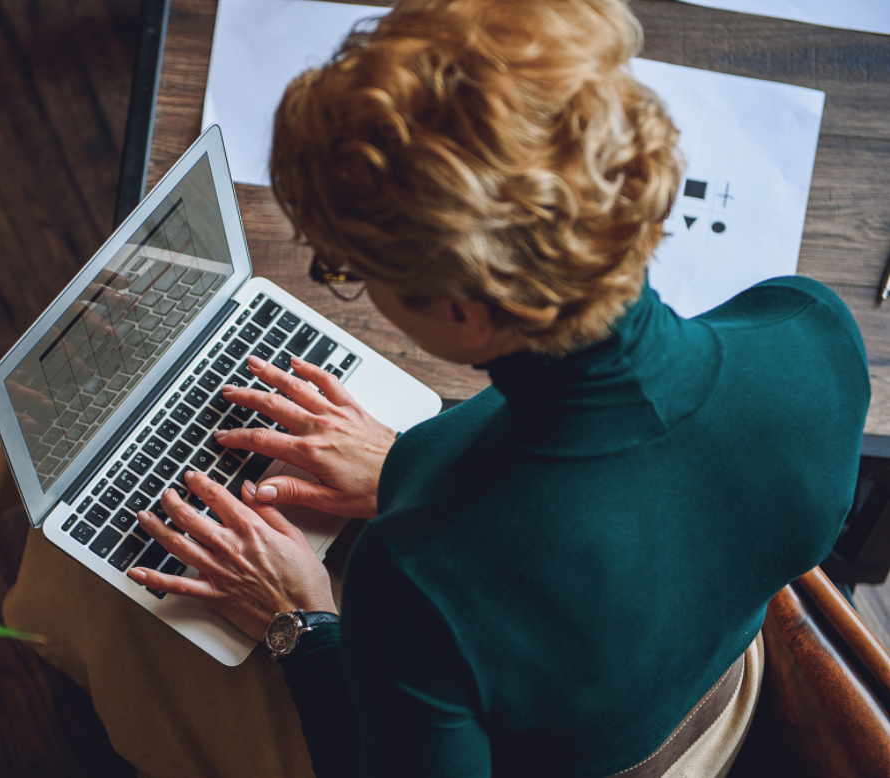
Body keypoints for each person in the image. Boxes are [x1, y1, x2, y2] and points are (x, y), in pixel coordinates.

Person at [122, 0, 870, 775]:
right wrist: (414, 470)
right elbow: (652, 496)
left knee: (99, 601)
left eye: (345, 268)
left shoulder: (415, 581)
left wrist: (297, 622)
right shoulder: (811, 329)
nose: (349, 281)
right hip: (720, 680)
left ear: (466, 314)